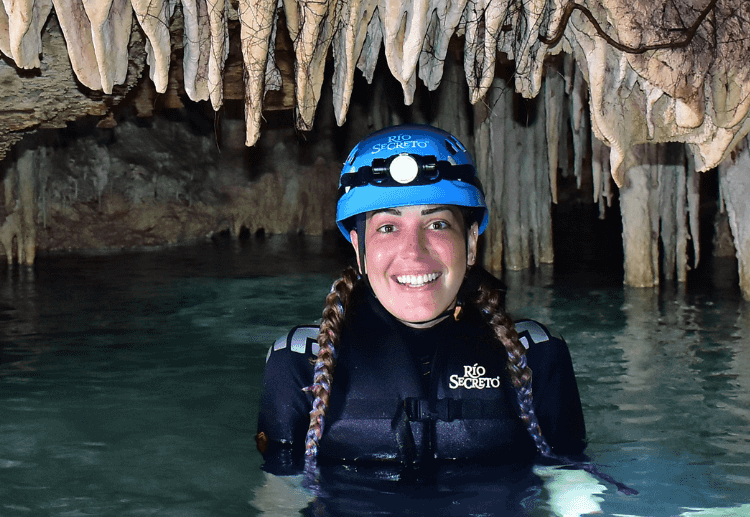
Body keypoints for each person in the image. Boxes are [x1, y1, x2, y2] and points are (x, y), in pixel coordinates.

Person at [255, 124, 599, 512]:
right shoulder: (300, 362)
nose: (414, 253)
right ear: (358, 248)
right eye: (388, 227)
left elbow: (573, 485)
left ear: (470, 243)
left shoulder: (535, 355)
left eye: (437, 224)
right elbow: (280, 495)